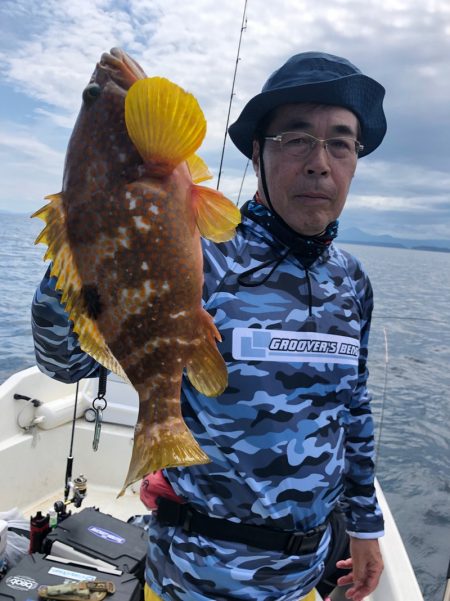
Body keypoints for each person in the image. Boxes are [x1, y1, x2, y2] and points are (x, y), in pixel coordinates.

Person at [32, 52, 387, 601]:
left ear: (354, 161)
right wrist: (89, 230)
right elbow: (64, 361)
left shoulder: (352, 282)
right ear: (256, 153)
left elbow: (354, 409)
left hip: (304, 577)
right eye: (296, 139)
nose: (321, 162)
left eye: (340, 143)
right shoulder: (201, 251)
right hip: (193, 582)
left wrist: (365, 527)